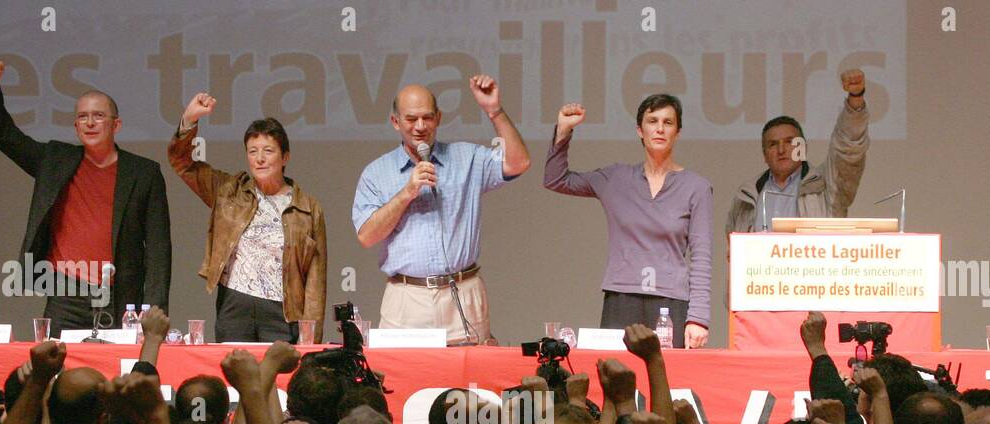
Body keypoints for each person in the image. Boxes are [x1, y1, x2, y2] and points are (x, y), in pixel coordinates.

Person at [0, 59, 171, 332]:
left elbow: (158, 249)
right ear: (75, 126)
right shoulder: (55, 160)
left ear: (117, 125)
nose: (90, 123)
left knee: (117, 372)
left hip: (119, 295)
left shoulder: (144, 173)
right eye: (82, 117)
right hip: (65, 294)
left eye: (99, 116)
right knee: (58, 369)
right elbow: (7, 137)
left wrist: (154, 308)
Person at [352, 77, 531, 345]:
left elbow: (519, 162)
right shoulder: (376, 173)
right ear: (395, 122)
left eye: (427, 118)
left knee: (470, 383)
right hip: (406, 297)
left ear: (438, 118)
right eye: (411, 119)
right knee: (403, 383)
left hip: (463, 290)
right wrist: (406, 193)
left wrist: (494, 110)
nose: (420, 127)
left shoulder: (466, 157)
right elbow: (367, 236)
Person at [544, 94, 714, 348]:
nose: (659, 128)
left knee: (668, 381)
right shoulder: (616, 178)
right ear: (639, 130)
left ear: (677, 132)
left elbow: (702, 256)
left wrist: (698, 318)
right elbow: (556, 179)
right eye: (652, 121)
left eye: (668, 122)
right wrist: (563, 132)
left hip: (671, 303)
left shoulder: (696, 187)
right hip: (621, 298)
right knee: (618, 381)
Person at [169, 93, 327, 343]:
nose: (260, 158)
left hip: (282, 311)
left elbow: (315, 280)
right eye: (253, 151)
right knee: (234, 377)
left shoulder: (307, 208)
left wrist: (310, 339)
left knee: (279, 379)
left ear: (285, 157)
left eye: (268, 151)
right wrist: (189, 120)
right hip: (235, 303)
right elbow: (183, 163)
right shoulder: (229, 192)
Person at [725, 69, 870, 237]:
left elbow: (848, 150)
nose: (781, 150)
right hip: (760, 265)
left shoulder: (827, 185)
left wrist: (855, 100)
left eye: (789, 142)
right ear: (765, 155)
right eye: (773, 144)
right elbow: (733, 250)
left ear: (803, 147)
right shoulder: (746, 196)